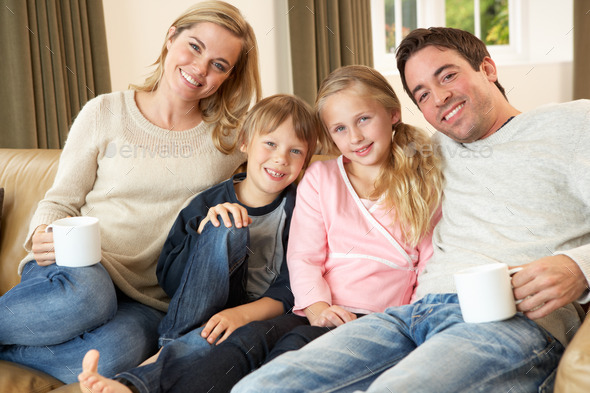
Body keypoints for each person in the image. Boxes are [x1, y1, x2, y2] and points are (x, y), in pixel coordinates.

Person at [231, 27, 590, 393]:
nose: (440, 97)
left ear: (488, 68)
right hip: (410, 315)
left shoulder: (573, 124)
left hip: (512, 317)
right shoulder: (428, 155)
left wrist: (580, 266)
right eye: (423, 94)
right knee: (259, 388)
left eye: (447, 75)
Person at [77, 65, 444, 393]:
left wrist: (404, 322)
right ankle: (133, 386)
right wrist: (317, 306)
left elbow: (431, 265)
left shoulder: (423, 179)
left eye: (364, 119)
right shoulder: (320, 177)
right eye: (341, 128)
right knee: (245, 341)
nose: (356, 136)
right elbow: (304, 257)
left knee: (282, 356)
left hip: (377, 318)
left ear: (393, 113)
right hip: (311, 309)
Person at [0, 1, 261, 383]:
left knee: (116, 355)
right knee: (91, 297)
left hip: (147, 300)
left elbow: (283, 149)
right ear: (171, 38)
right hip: (79, 270)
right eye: (195, 46)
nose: (200, 68)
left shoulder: (228, 140)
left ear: (228, 77)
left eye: (219, 65)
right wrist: (41, 234)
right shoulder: (105, 112)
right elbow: (59, 200)